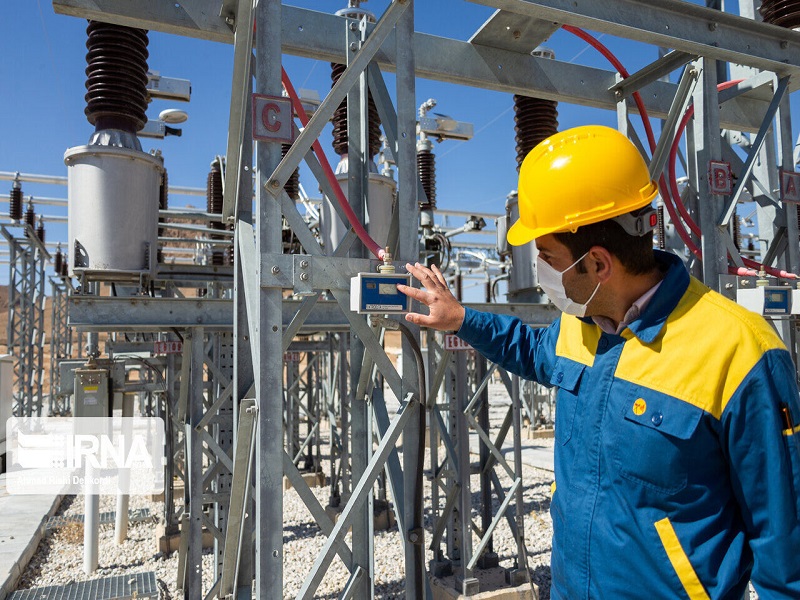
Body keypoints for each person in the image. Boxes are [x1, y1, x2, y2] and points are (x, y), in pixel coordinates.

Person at [397, 125, 800, 599]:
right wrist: (461, 319)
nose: (541, 271)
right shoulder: (580, 324)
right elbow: (529, 349)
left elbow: (784, 545)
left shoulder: (739, 350)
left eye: (547, 257)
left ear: (598, 263)